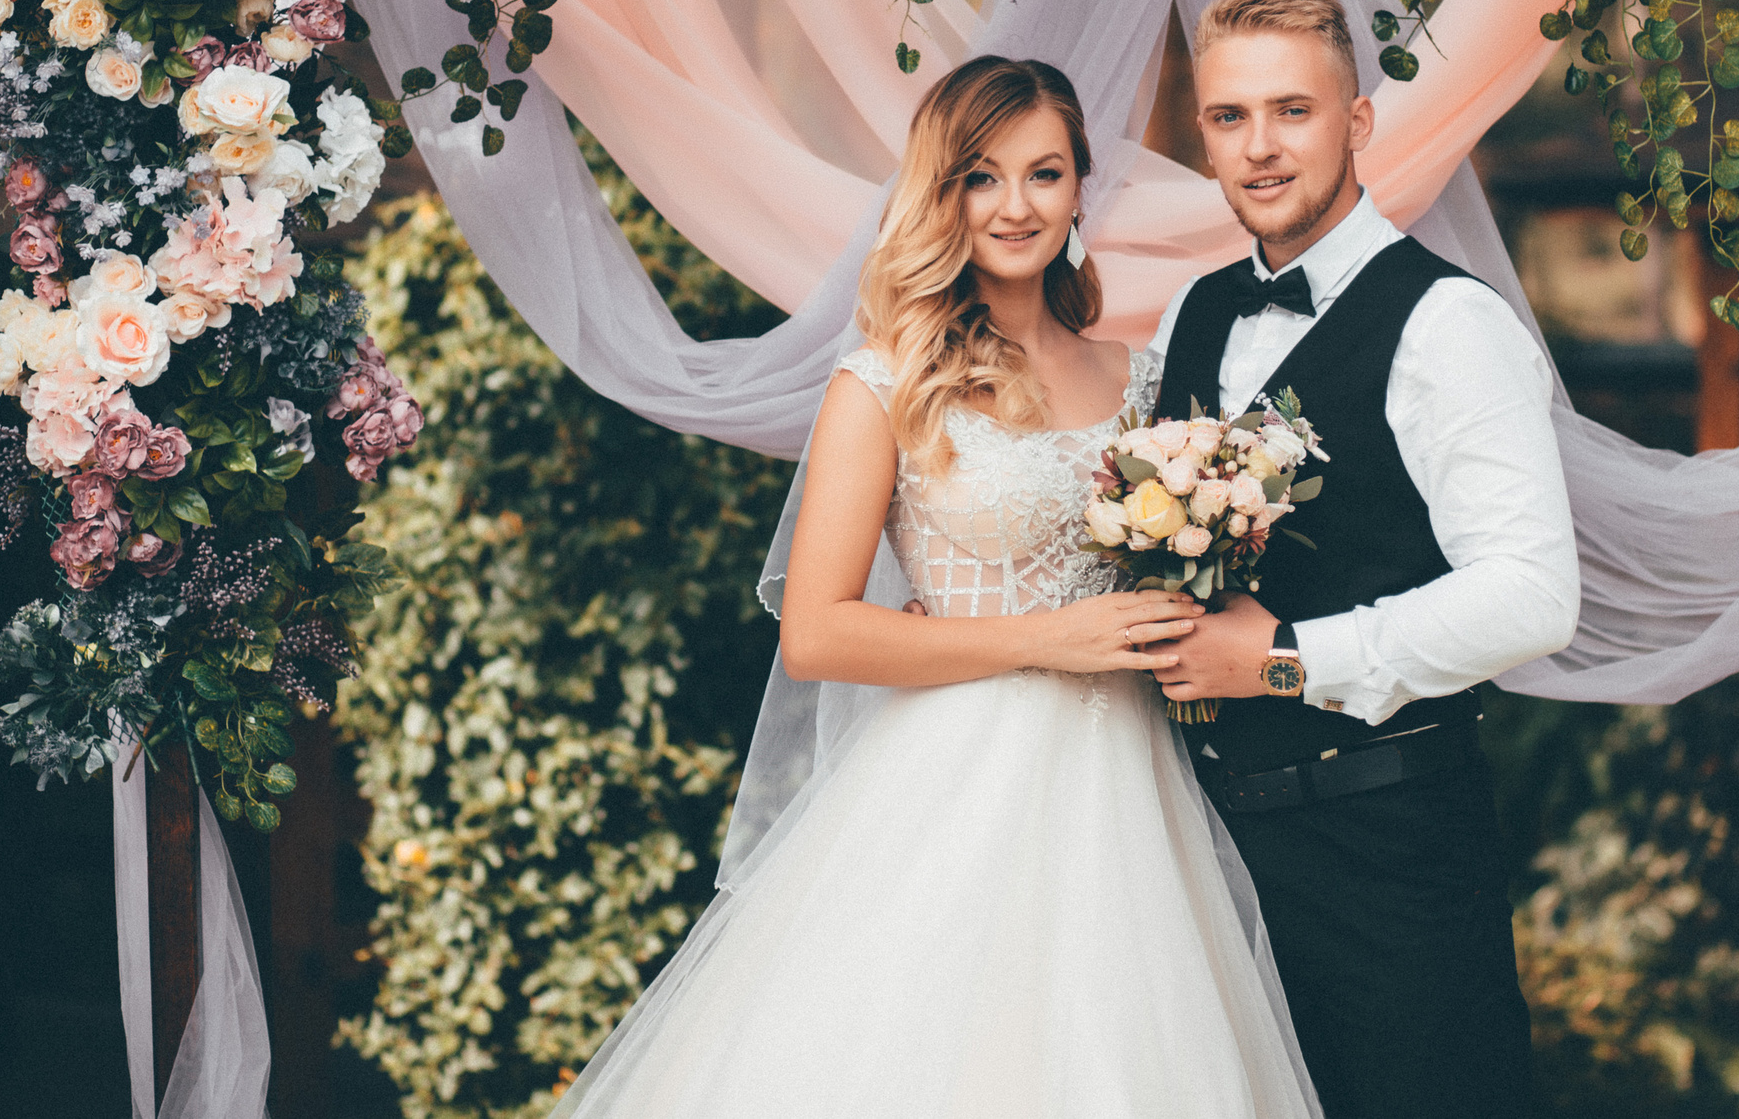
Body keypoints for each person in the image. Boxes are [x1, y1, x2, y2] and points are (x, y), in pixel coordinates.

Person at [545, 56, 1321, 1119]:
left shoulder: (1141, 377)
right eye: (981, 177)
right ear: (940, 193)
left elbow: (1170, 580)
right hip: (955, 786)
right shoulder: (885, 384)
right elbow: (816, 634)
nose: (1015, 206)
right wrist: (1049, 638)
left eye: (1044, 174)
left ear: (1079, 190)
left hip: (1133, 792)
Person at [1146, 0, 1581, 1119]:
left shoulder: (1449, 326)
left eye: (1291, 110)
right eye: (1229, 118)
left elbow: (1533, 597)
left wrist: (1284, 657)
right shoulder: (1188, 317)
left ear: (1357, 121)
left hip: (1391, 850)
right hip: (1210, 853)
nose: (1259, 148)